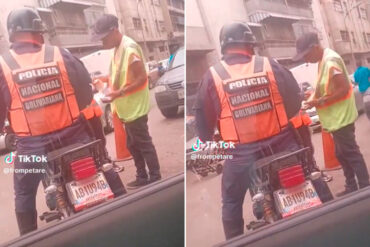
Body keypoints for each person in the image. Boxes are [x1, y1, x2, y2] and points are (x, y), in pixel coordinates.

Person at [0, 8, 125, 235]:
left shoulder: (3, 66)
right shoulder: (61, 55)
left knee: (24, 194)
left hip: (33, 148)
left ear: (12, 35)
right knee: (103, 164)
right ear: (39, 32)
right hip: (74, 137)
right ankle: (131, 209)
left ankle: (28, 238)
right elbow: (86, 95)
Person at [194, 22, 302, 239]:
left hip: (241, 155)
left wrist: (208, 139)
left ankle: (234, 241)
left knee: (232, 202)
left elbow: (203, 120)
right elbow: (294, 101)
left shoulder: (212, 76)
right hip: (283, 146)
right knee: (308, 178)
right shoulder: (271, 65)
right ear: (250, 43)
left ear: (224, 47)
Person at [293, 32, 369, 196]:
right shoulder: (323, 60)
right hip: (336, 119)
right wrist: (313, 96)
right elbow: (327, 87)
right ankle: (352, 186)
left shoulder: (330, 61)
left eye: (306, 55)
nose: (306, 60)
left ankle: (364, 187)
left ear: (315, 47)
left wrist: (319, 102)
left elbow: (343, 89)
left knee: (351, 153)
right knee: (341, 154)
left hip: (341, 117)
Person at [91, 14, 161, 188]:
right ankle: (142, 176)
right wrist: (105, 79)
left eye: (103, 38)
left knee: (143, 144)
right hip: (126, 109)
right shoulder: (117, 49)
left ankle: (154, 177)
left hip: (135, 108)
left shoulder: (129, 49)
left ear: (114, 31)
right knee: (133, 144)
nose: (102, 42)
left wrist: (118, 93)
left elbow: (141, 78)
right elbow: (120, 75)